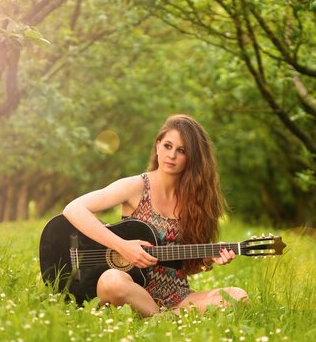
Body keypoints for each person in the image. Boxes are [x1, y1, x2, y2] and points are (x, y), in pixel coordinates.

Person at [63, 114, 247, 317]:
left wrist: (207, 260)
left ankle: (160, 317)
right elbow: (74, 208)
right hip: (128, 289)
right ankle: (163, 318)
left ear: (191, 157)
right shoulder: (136, 187)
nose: (172, 155)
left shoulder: (197, 202)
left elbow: (185, 268)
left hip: (177, 297)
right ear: (158, 145)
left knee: (238, 296)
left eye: (182, 150)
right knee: (111, 281)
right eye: (168, 146)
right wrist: (122, 246)